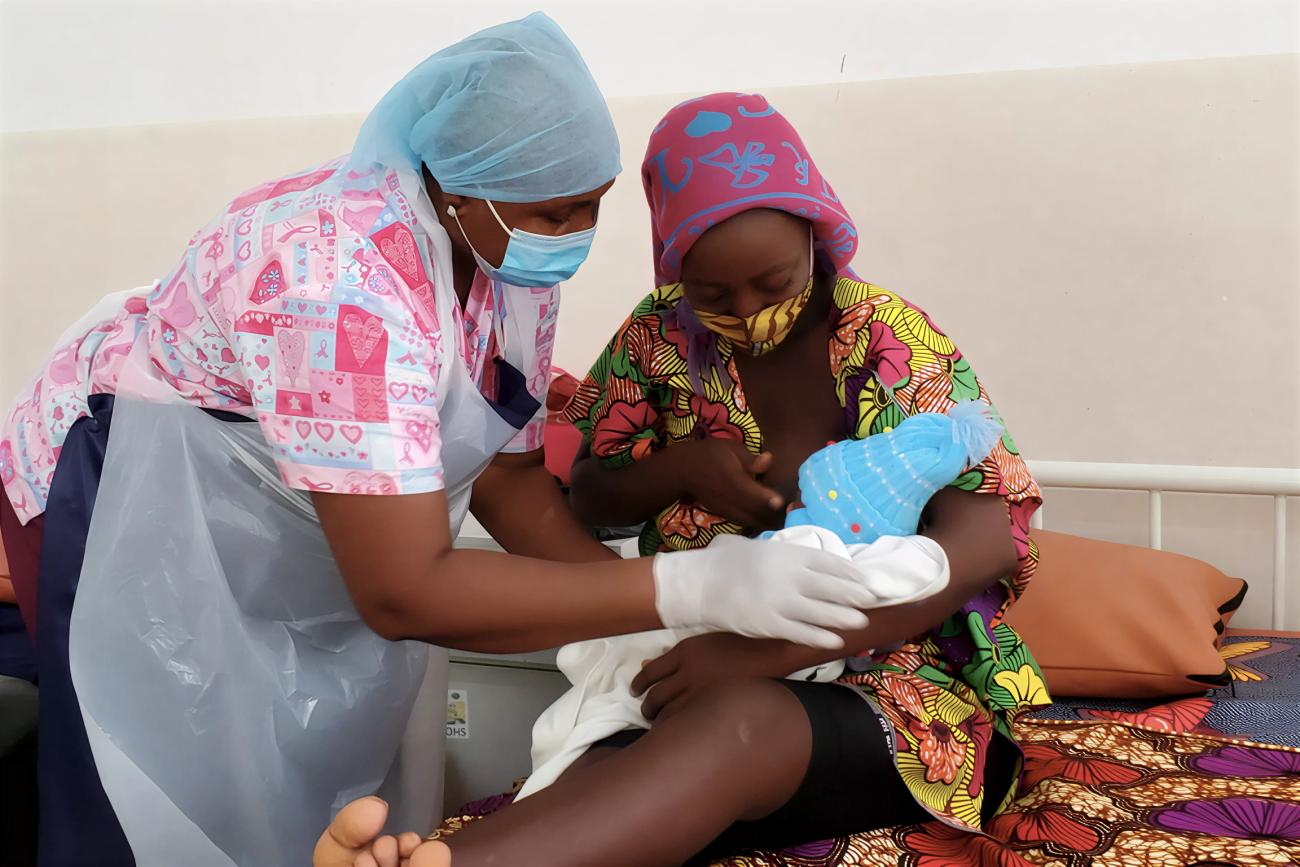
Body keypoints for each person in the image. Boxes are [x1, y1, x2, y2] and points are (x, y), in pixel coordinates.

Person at [0, 27, 875, 867]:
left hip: (295, 518)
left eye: (595, 204)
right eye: (556, 211)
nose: (577, 232)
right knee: (150, 774)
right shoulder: (335, 280)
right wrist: (683, 586)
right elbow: (404, 589)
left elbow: (510, 476)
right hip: (135, 492)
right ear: (459, 190)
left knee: (301, 784)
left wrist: (639, 627)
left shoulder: (510, 263)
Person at [316, 92, 1049, 867]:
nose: (748, 312)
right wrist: (681, 467)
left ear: (817, 231)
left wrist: (761, 654)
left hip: (896, 688)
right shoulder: (659, 333)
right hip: (691, 657)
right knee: (604, 764)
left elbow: (987, 537)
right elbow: (589, 490)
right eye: (713, 295)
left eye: (772, 281)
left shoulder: (887, 339)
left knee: (735, 726)